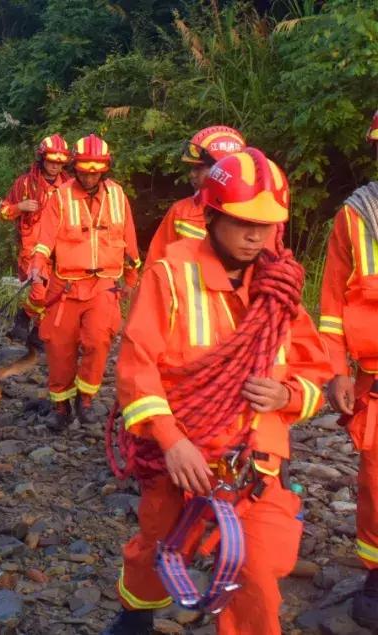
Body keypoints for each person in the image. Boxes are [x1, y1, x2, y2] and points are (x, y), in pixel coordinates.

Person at [108, 148, 332, 635]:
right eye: (243, 223)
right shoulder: (170, 275)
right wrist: (172, 442)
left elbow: (315, 370)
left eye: (266, 225)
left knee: (258, 568)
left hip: (254, 459)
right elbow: (136, 367)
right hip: (182, 451)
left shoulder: (279, 288)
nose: (256, 236)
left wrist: (288, 396)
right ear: (211, 215)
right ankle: (134, 617)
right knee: (157, 546)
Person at [28, 134, 140, 427]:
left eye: (95, 173)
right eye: (84, 172)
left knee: (99, 340)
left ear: (104, 170)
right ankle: (61, 406)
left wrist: (131, 278)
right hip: (65, 286)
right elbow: (44, 240)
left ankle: (86, 398)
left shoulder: (118, 196)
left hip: (104, 284)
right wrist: (37, 267)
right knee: (58, 347)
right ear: (75, 168)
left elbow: (129, 240)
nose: (89, 178)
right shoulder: (61, 197)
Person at [320, 108, 378, 629]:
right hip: (375, 379)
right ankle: (377, 574)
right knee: (377, 483)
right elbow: (332, 304)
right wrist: (337, 369)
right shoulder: (356, 216)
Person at [0, 134, 71, 336]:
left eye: (60, 163)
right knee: (39, 293)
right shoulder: (25, 183)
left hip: (59, 250)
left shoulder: (69, 187)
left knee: (54, 295)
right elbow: (3, 213)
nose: (55, 166)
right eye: (51, 161)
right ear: (42, 158)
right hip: (31, 249)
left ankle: (38, 333)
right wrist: (19, 207)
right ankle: (24, 315)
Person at [146, 126, 247, 263]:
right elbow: (156, 263)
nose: (192, 174)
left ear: (224, 168)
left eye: (199, 168)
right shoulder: (181, 212)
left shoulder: (256, 216)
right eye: (192, 168)